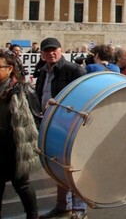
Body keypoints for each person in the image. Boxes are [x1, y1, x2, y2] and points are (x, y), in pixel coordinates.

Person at [35, 38, 87, 219]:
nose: (51, 53)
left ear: (61, 50)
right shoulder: (43, 71)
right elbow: (40, 93)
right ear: (42, 54)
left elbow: (85, 95)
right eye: (46, 51)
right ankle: (62, 205)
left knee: (73, 167)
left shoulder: (73, 69)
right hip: (50, 125)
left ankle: (79, 208)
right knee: (58, 165)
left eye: (54, 50)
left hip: (70, 124)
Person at [0, 50, 41, 219]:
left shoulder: (23, 90)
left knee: (21, 184)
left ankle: (33, 215)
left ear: (9, 68)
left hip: (16, 145)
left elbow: (36, 117)